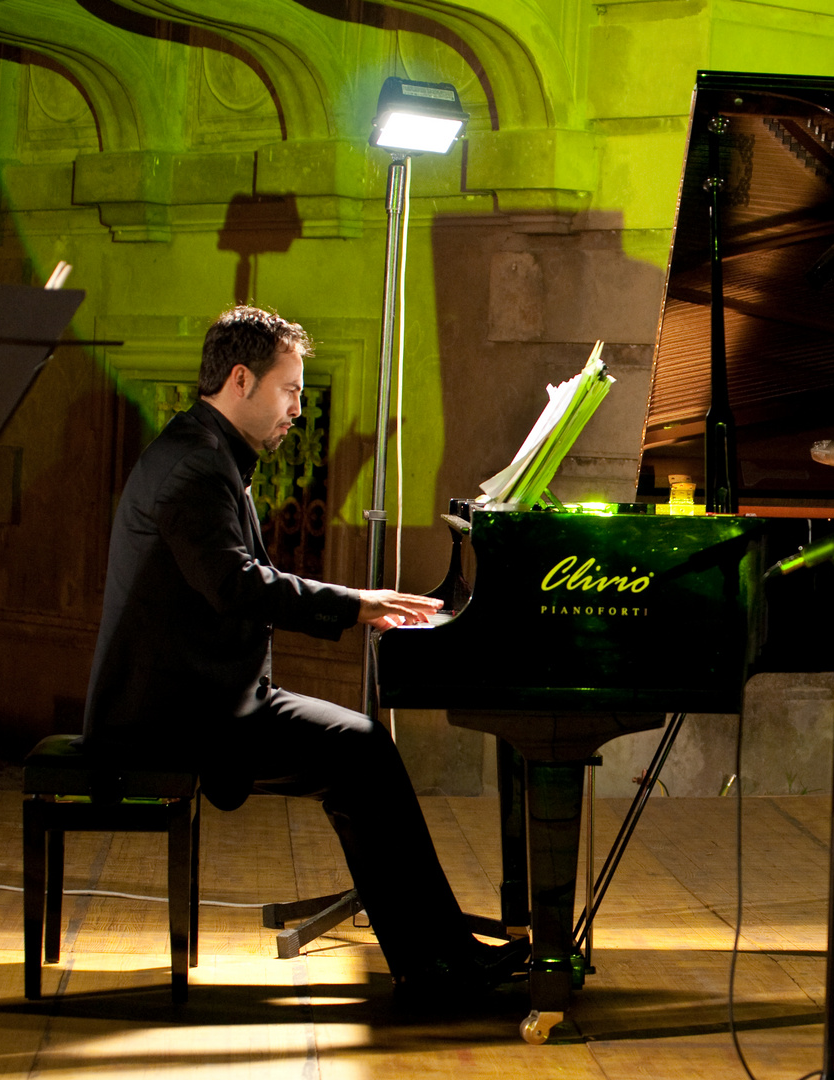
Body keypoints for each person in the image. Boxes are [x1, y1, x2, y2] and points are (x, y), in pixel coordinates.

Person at [81, 304, 523, 1002]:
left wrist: (356, 603)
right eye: (289, 389)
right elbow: (235, 585)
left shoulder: (204, 450)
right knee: (363, 750)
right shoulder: (198, 468)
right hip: (175, 714)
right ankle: (438, 964)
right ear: (240, 380)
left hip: (195, 695)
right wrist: (355, 603)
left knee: (360, 752)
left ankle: (436, 958)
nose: (296, 406)